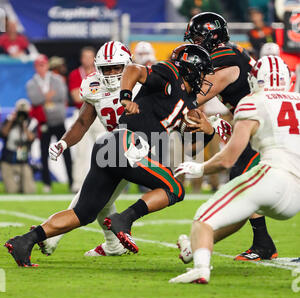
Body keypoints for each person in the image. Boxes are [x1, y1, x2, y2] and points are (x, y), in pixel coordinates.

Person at [4, 44, 218, 267]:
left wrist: (209, 130)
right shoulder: (169, 73)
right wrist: (126, 98)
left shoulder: (188, 100)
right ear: (191, 70)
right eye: (202, 72)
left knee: (83, 213)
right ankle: (123, 220)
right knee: (174, 188)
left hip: (112, 146)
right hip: (125, 143)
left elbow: (191, 148)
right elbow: (133, 70)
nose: (204, 78)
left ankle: (25, 241)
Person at [169, 55, 299, 284]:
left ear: (256, 79)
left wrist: (199, 169)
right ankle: (195, 247)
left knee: (203, 218)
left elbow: (228, 159)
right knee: (243, 209)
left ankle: (200, 268)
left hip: (274, 178)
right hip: (295, 189)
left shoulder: (252, 101)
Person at [181, 12, 278, 261]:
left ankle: (257, 244)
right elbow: (235, 108)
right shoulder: (231, 52)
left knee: (240, 178)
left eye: (197, 37)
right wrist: (213, 125)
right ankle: (262, 244)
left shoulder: (224, 59)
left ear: (210, 37)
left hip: (262, 125)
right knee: (241, 176)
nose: (194, 42)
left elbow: (195, 98)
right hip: (252, 122)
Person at [38, 41, 139, 257]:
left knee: (93, 197)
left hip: (143, 147)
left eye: (117, 68)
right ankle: (114, 245)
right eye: (106, 68)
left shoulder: (142, 83)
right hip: (116, 147)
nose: (111, 74)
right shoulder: (94, 85)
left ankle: (51, 237)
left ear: (128, 65)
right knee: (99, 196)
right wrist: (64, 142)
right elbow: (83, 122)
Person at [26, 54, 73, 193]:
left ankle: (71, 182)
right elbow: (35, 99)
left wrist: (44, 99)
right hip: (44, 122)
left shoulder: (57, 79)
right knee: (44, 152)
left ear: (47, 65)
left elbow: (62, 96)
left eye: (43, 65)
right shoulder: (31, 83)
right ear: (36, 67)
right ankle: (47, 183)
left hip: (58, 120)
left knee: (66, 150)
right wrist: (47, 97)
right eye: (39, 65)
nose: (42, 68)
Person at [68, 46, 106, 193]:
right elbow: (75, 97)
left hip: (99, 114)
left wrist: (87, 94)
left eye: (90, 57)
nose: (88, 60)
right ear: (81, 59)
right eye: (85, 57)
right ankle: (78, 183)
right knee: (81, 150)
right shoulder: (75, 74)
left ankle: (106, 182)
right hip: (82, 113)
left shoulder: (101, 73)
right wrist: (95, 95)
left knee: (105, 148)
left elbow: (81, 95)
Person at [0, 98, 36, 194]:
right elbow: (3, 134)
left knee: (29, 191)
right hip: (8, 160)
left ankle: (22, 184)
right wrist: (12, 121)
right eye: (20, 112)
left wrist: (24, 126)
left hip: (24, 160)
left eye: (24, 112)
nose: (22, 115)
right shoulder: (9, 120)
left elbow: (31, 138)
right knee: (12, 191)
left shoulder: (32, 122)